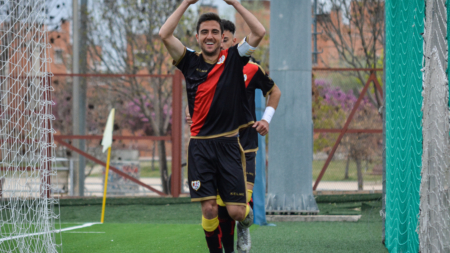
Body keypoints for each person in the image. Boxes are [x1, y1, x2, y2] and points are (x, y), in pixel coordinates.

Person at [159, 1, 266, 252]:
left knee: (236, 212)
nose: (210, 36)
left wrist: (234, 4)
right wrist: (186, 2)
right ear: (197, 37)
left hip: (229, 145)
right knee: (209, 208)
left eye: (215, 32)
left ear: (222, 37)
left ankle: (245, 220)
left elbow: (259, 32)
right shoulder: (188, 61)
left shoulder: (234, 58)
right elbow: (164, 34)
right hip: (200, 148)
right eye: (205, 32)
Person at [185, 19, 281, 253]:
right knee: (218, 207)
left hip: (244, 145)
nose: (220, 47)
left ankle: (245, 223)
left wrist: (266, 119)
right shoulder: (207, 67)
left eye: (224, 40)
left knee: (236, 208)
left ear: (234, 42)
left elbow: (274, 91)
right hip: (215, 144)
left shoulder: (248, 68)